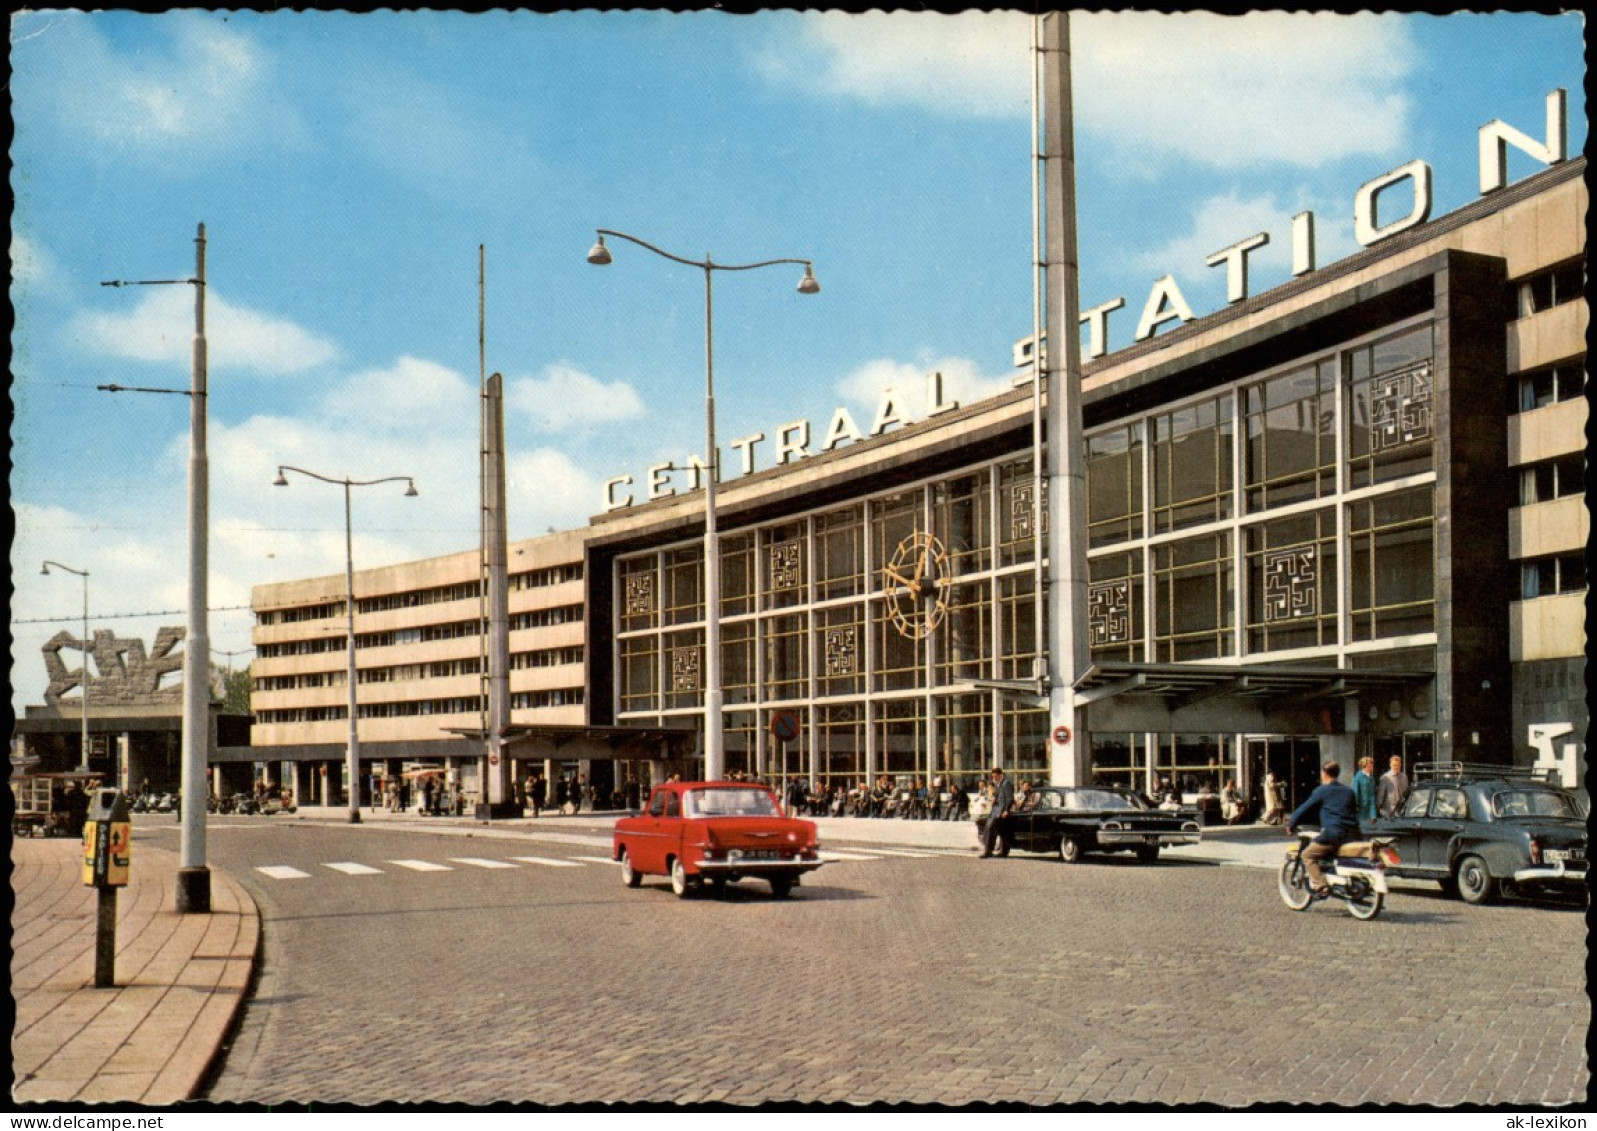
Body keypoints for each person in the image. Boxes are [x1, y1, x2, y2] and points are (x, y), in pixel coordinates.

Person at [1287, 761, 1361, 896]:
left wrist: (1291, 824)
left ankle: (1321, 886)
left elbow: (1304, 808)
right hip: (1351, 835)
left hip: (1333, 835)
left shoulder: (1322, 790)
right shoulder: (1348, 791)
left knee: (1307, 855)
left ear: (1324, 773)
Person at [980, 767, 1015, 858]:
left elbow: (1010, 798)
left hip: (1001, 812)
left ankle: (988, 851)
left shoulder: (1006, 784)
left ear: (1000, 775)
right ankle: (1003, 852)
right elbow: (997, 797)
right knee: (1002, 831)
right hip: (995, 811)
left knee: (991, 828)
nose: (994, 778)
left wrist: (1006, 810)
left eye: (996, 776)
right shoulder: (998, 785)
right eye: (993, 777)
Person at [1352, 756, 1378, 824]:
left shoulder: (1371, 777)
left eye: (1372, 763)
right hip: (1361, 810)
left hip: (1371, 810)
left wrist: (1373, 814)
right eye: (1370, 763)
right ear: (1364, 765)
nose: (1372, 765)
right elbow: (1355, 793)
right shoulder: (1358, 778)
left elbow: (1373, 795)